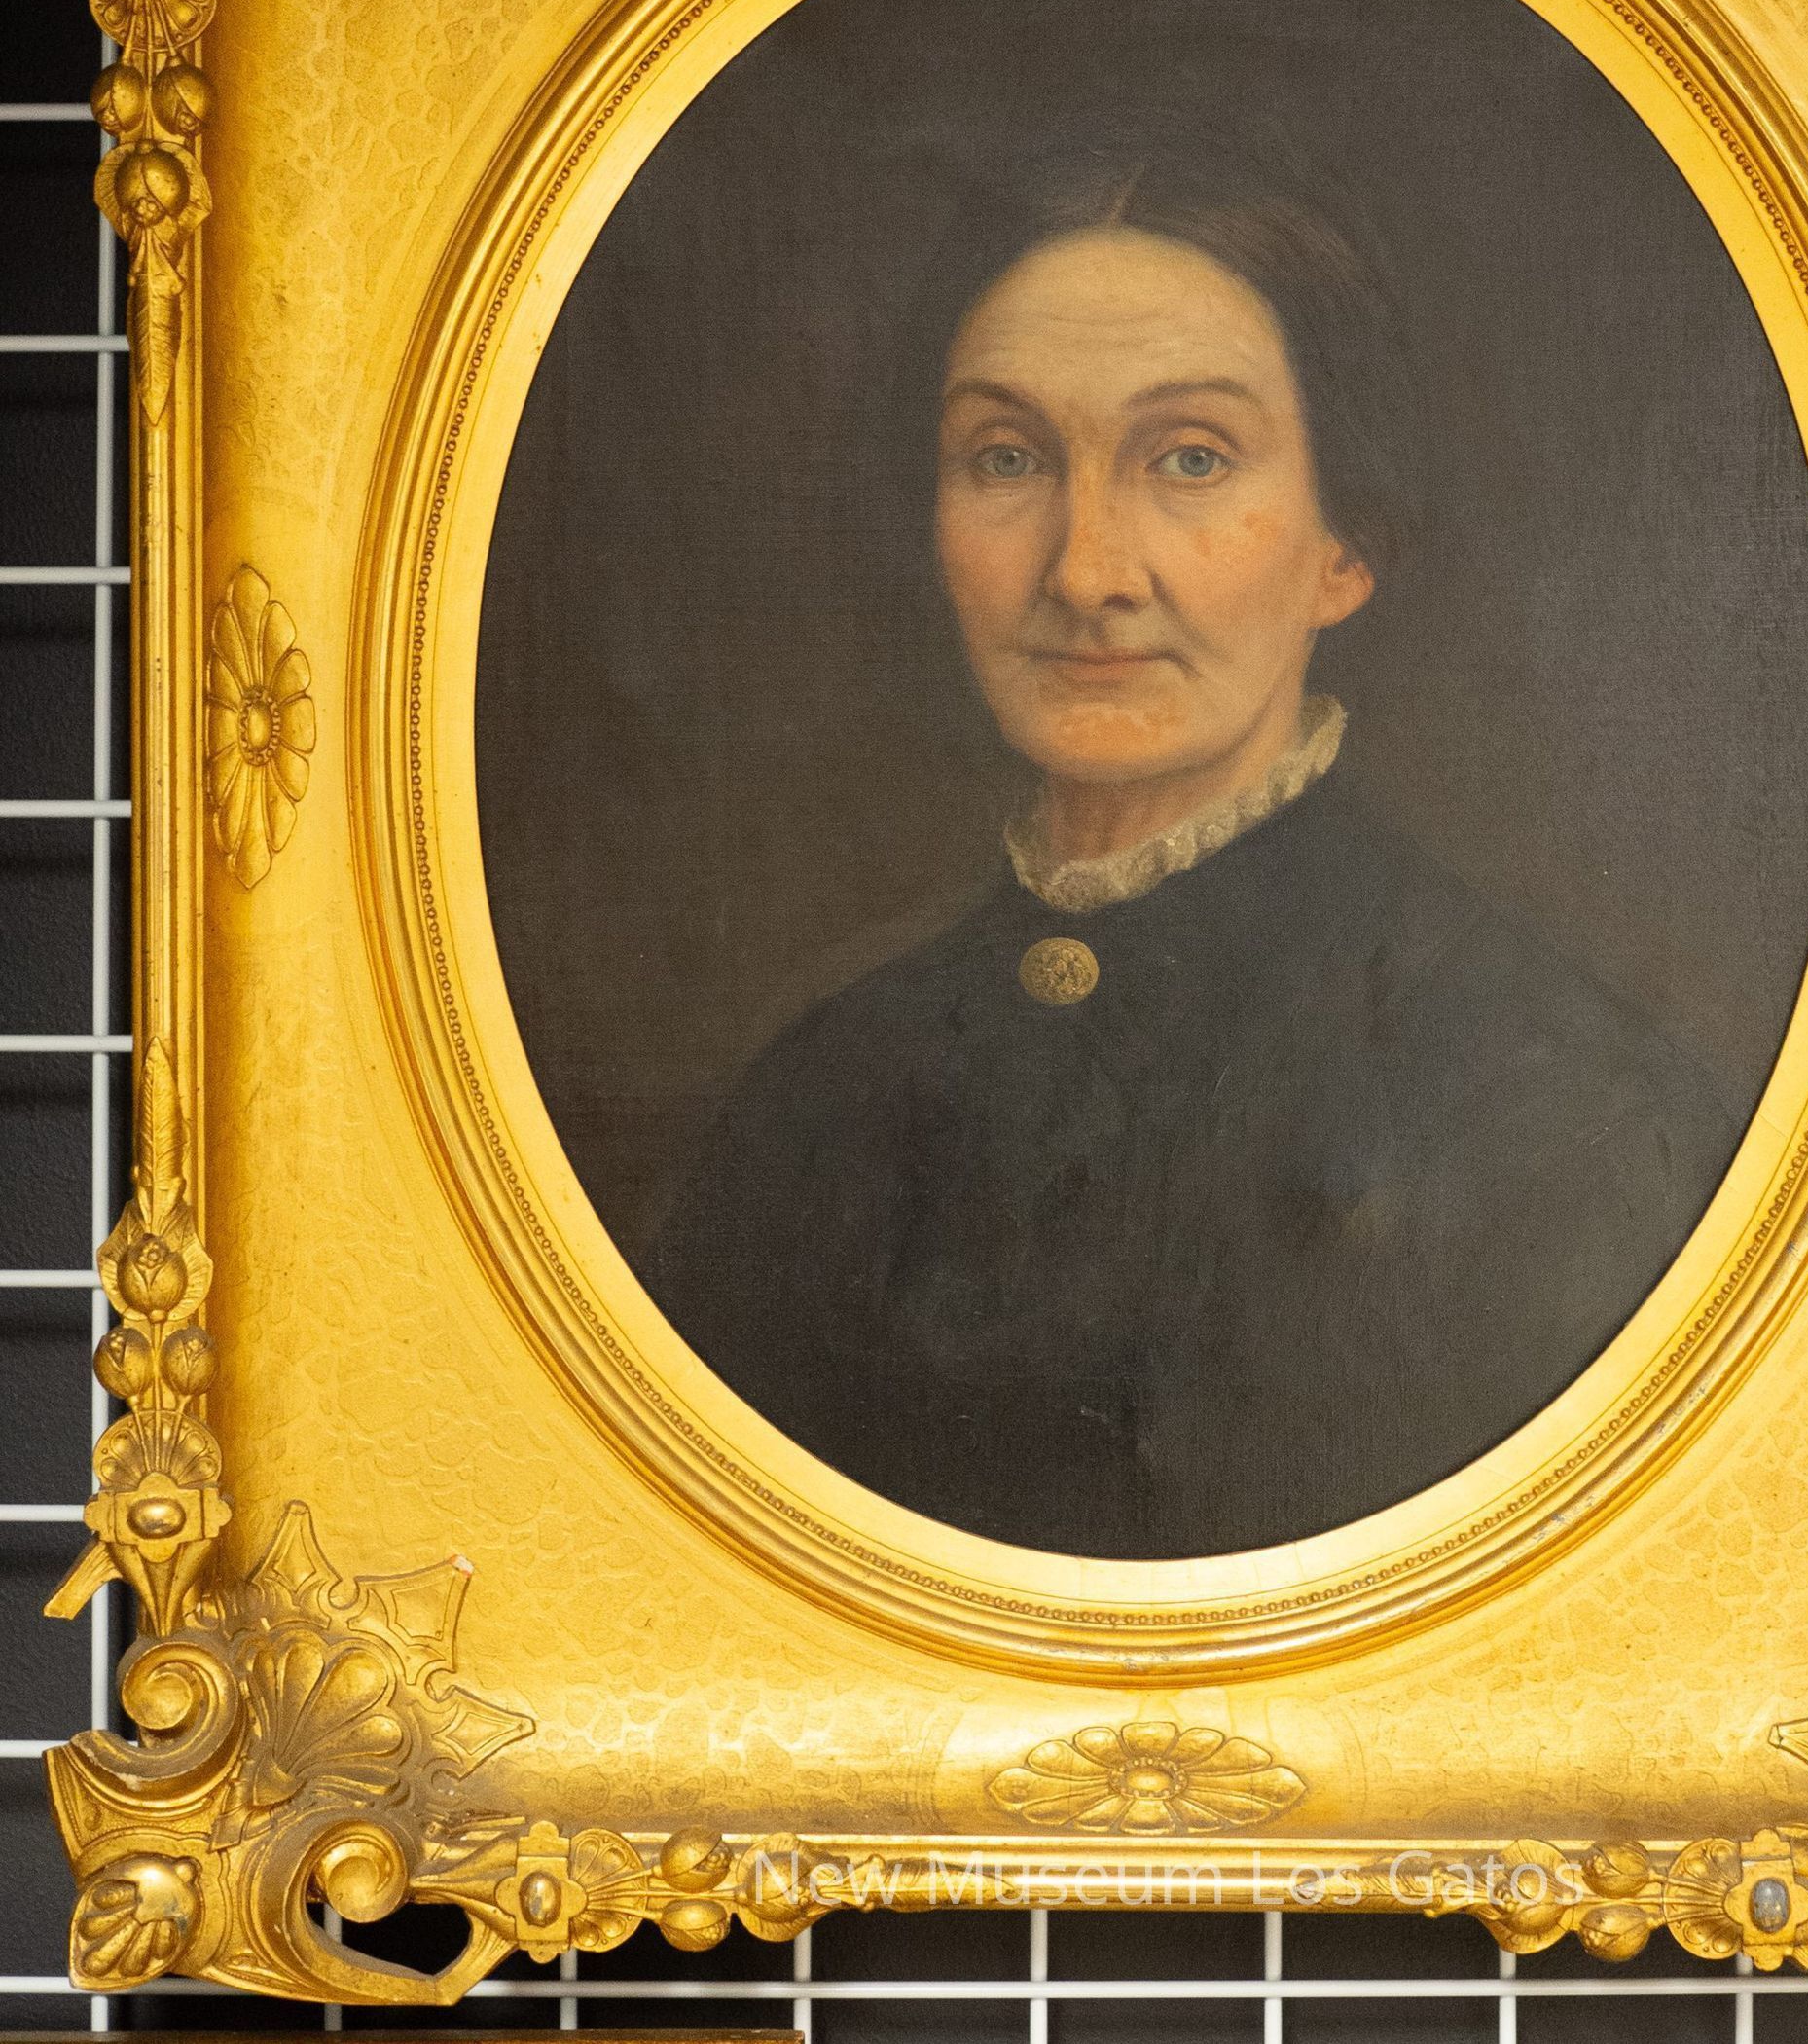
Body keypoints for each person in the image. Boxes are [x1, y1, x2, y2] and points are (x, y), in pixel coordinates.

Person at [653, 151, 1732, 1558]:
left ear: (1346, 543)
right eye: (1007, 459)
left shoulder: (1568, 1118)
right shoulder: (815, 1101)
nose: (1086, 572)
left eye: (1191, 460)